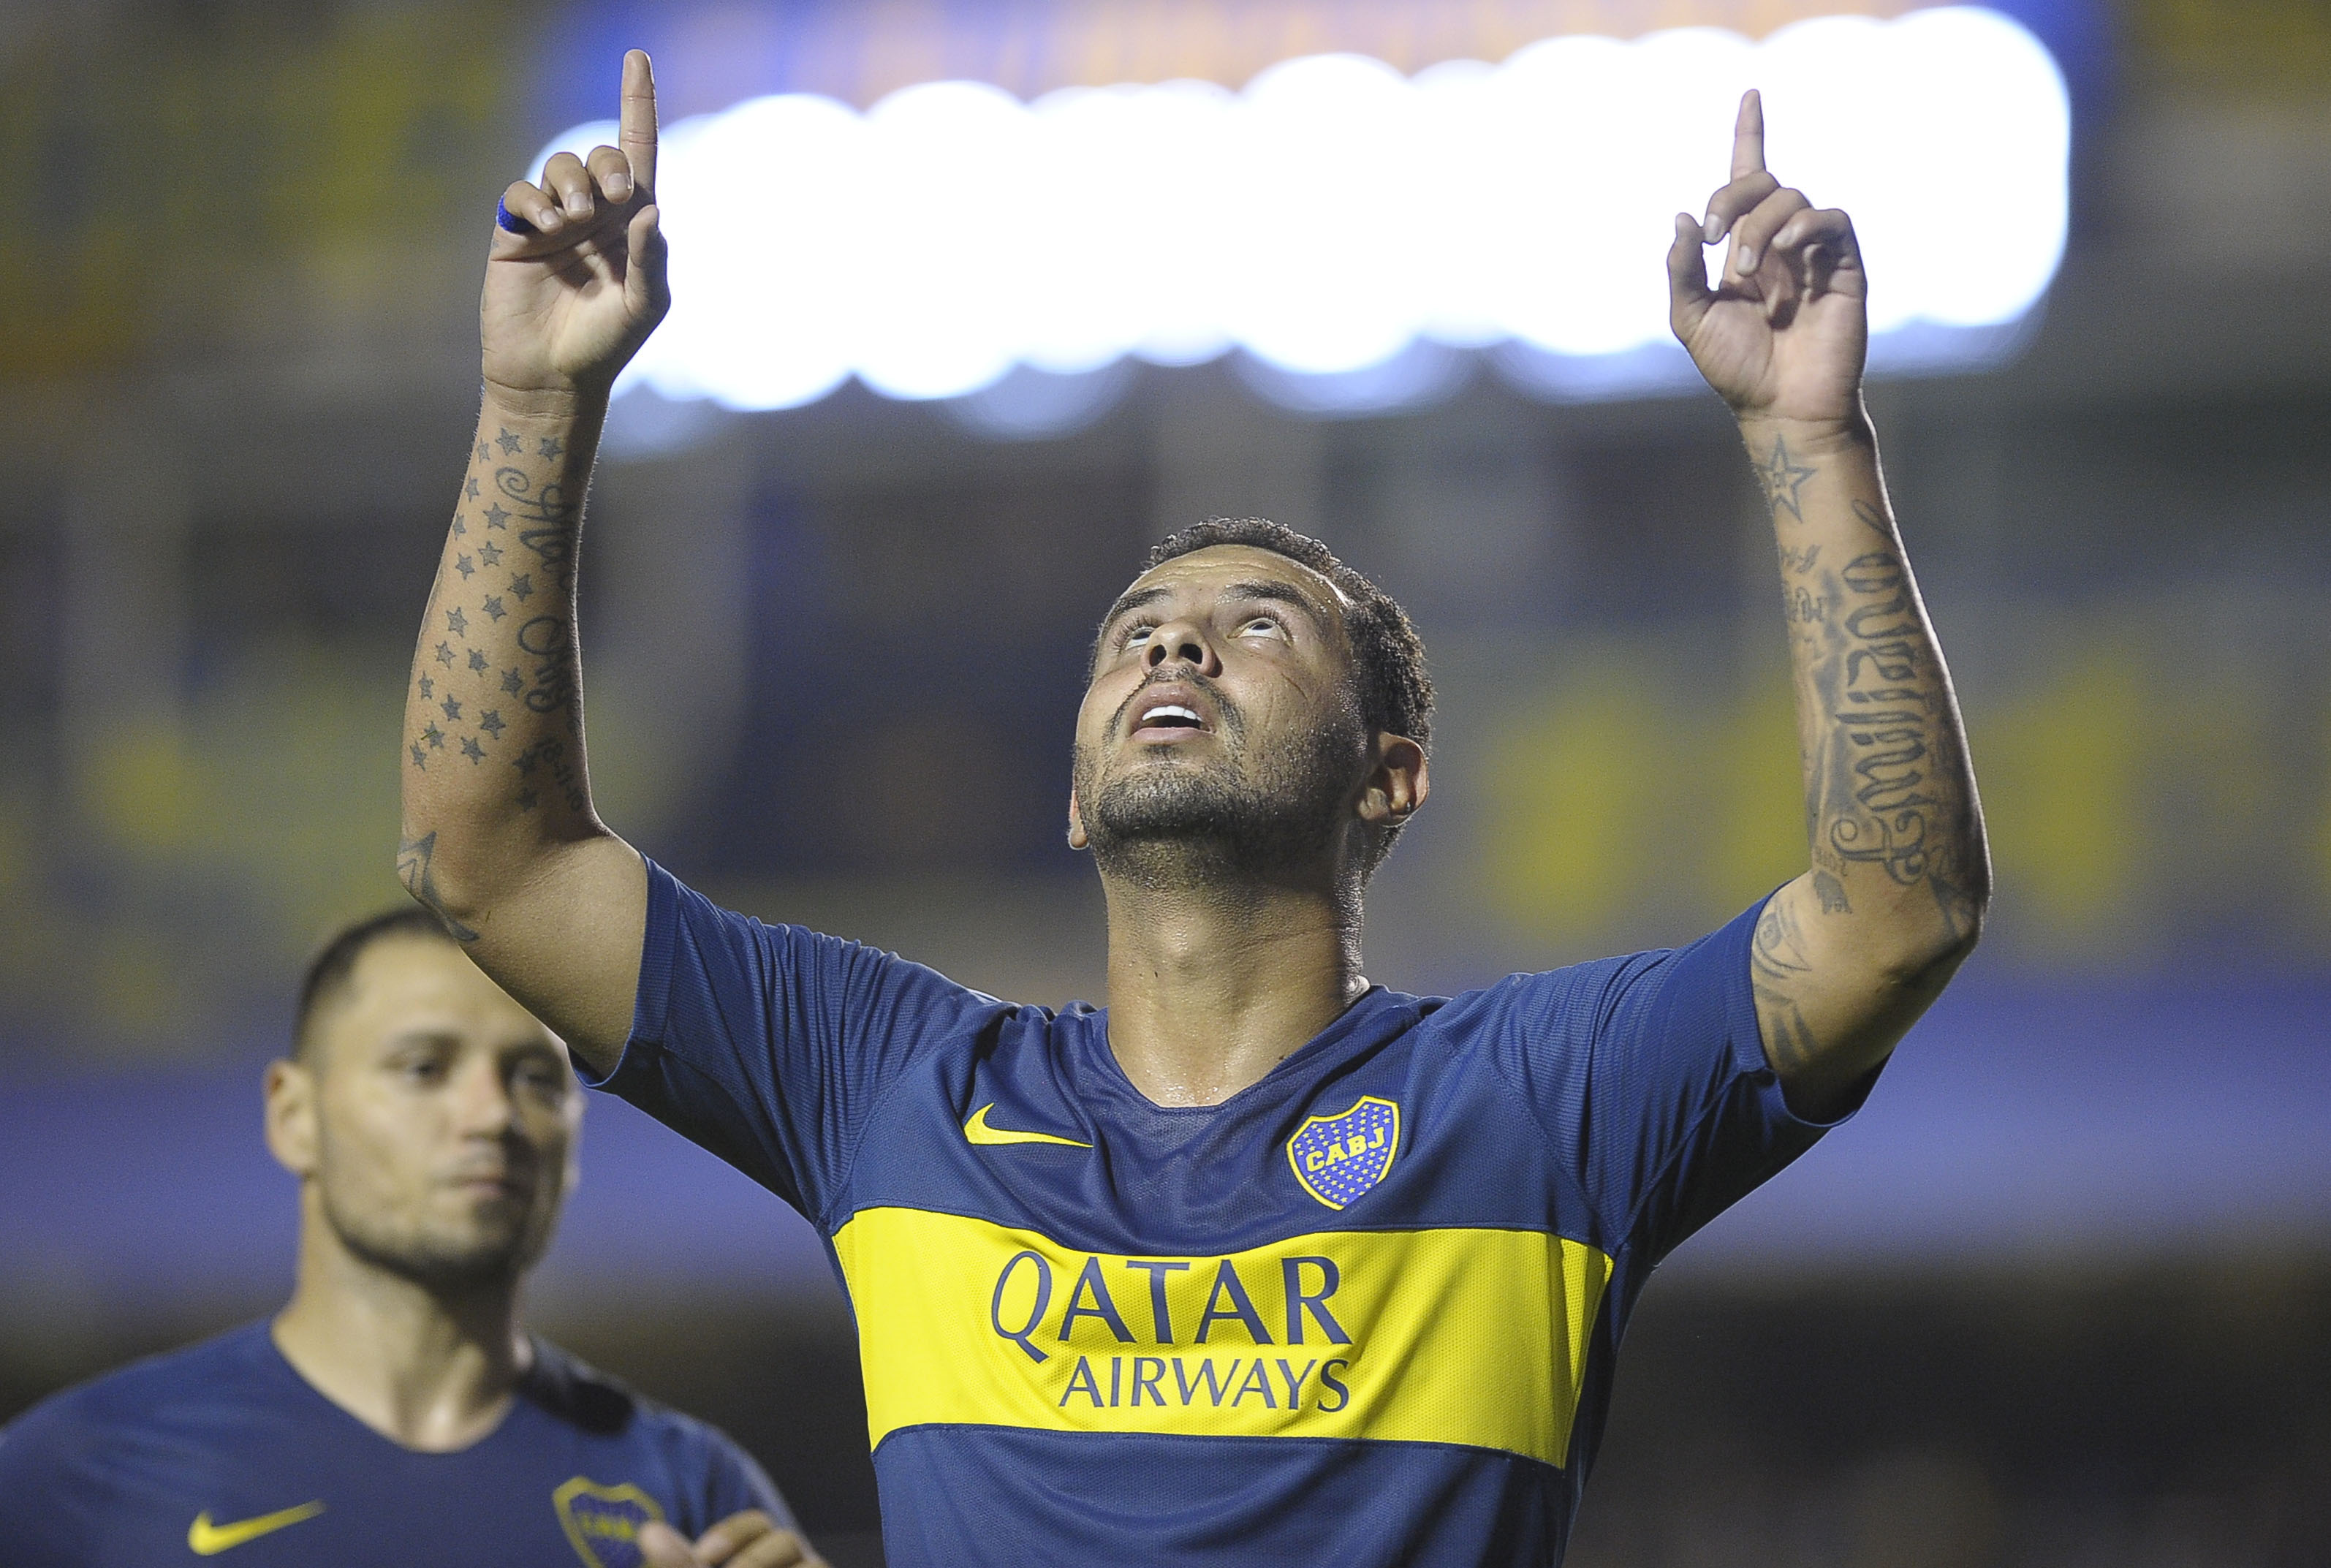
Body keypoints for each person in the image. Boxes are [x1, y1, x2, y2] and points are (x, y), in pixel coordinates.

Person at [396, 48, 1988, 1567]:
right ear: (1078, 801)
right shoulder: (894, 1088)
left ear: (1388, 776)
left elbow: (1892, 914)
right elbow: (492, 859)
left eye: (1257, 624)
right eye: (1134, 633)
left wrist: (1805, 434)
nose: (1174, 639)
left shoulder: (1534, 1104)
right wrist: (538, 407)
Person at [0, 909, 823, 1568]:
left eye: (536, 1077)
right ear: (294, 1116)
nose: (494, 1115)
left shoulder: (690, 1492)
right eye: (424, 1068)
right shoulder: (76, 1476)